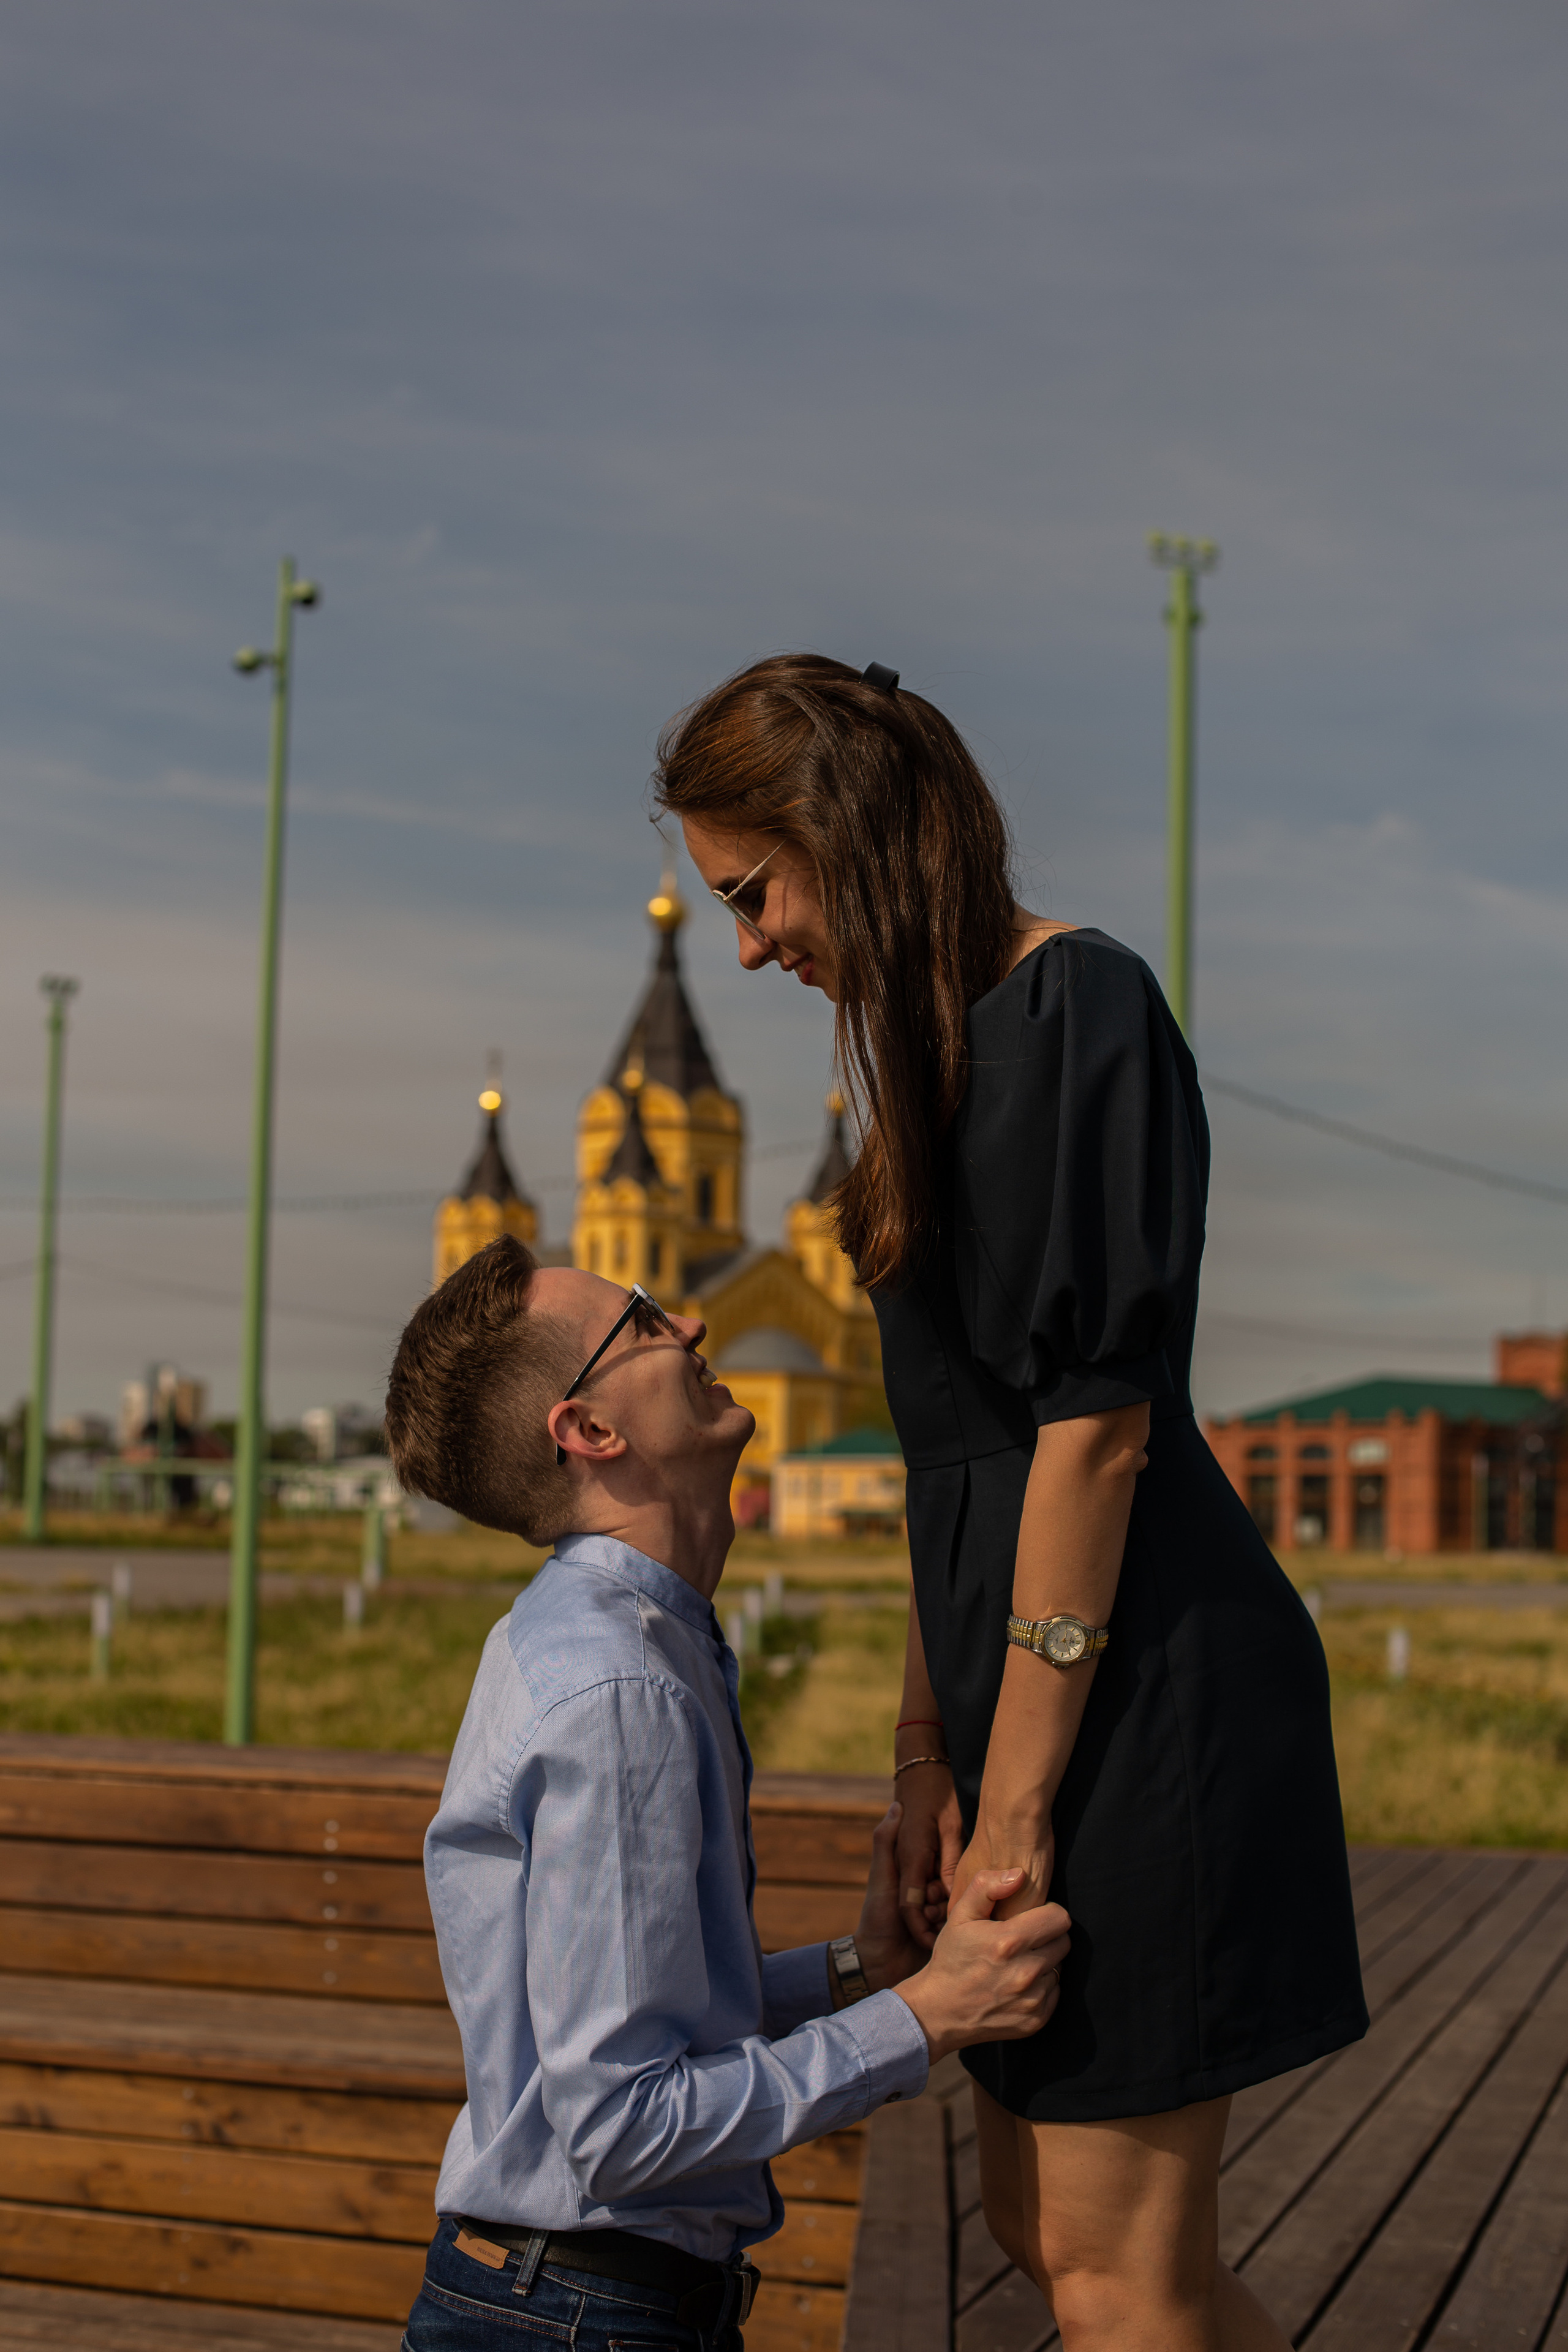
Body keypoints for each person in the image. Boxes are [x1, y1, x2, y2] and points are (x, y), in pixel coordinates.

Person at [660, 653, 1368, 2352]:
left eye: (753, 892)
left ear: (843, 826)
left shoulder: (1078, 1007)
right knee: (1052, 2236)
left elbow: (1092, 1441)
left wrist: (1024, 1805)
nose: (749, 944)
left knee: (1120, 2271)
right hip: (1035, 1716)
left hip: (1148, 1704)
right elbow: (949, 1468)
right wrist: (930, 1771)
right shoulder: (943, 1068)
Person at [385, 1235, 1071, 2352]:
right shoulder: (620, 1690)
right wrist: (929, 2017)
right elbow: (622, 2126)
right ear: (592, 1432)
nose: (691, 1325)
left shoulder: (613, 1639)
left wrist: (859, 1973)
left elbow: (641, 2017)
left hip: (558, 2302)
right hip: (584, 2319)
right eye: (646, 1321)